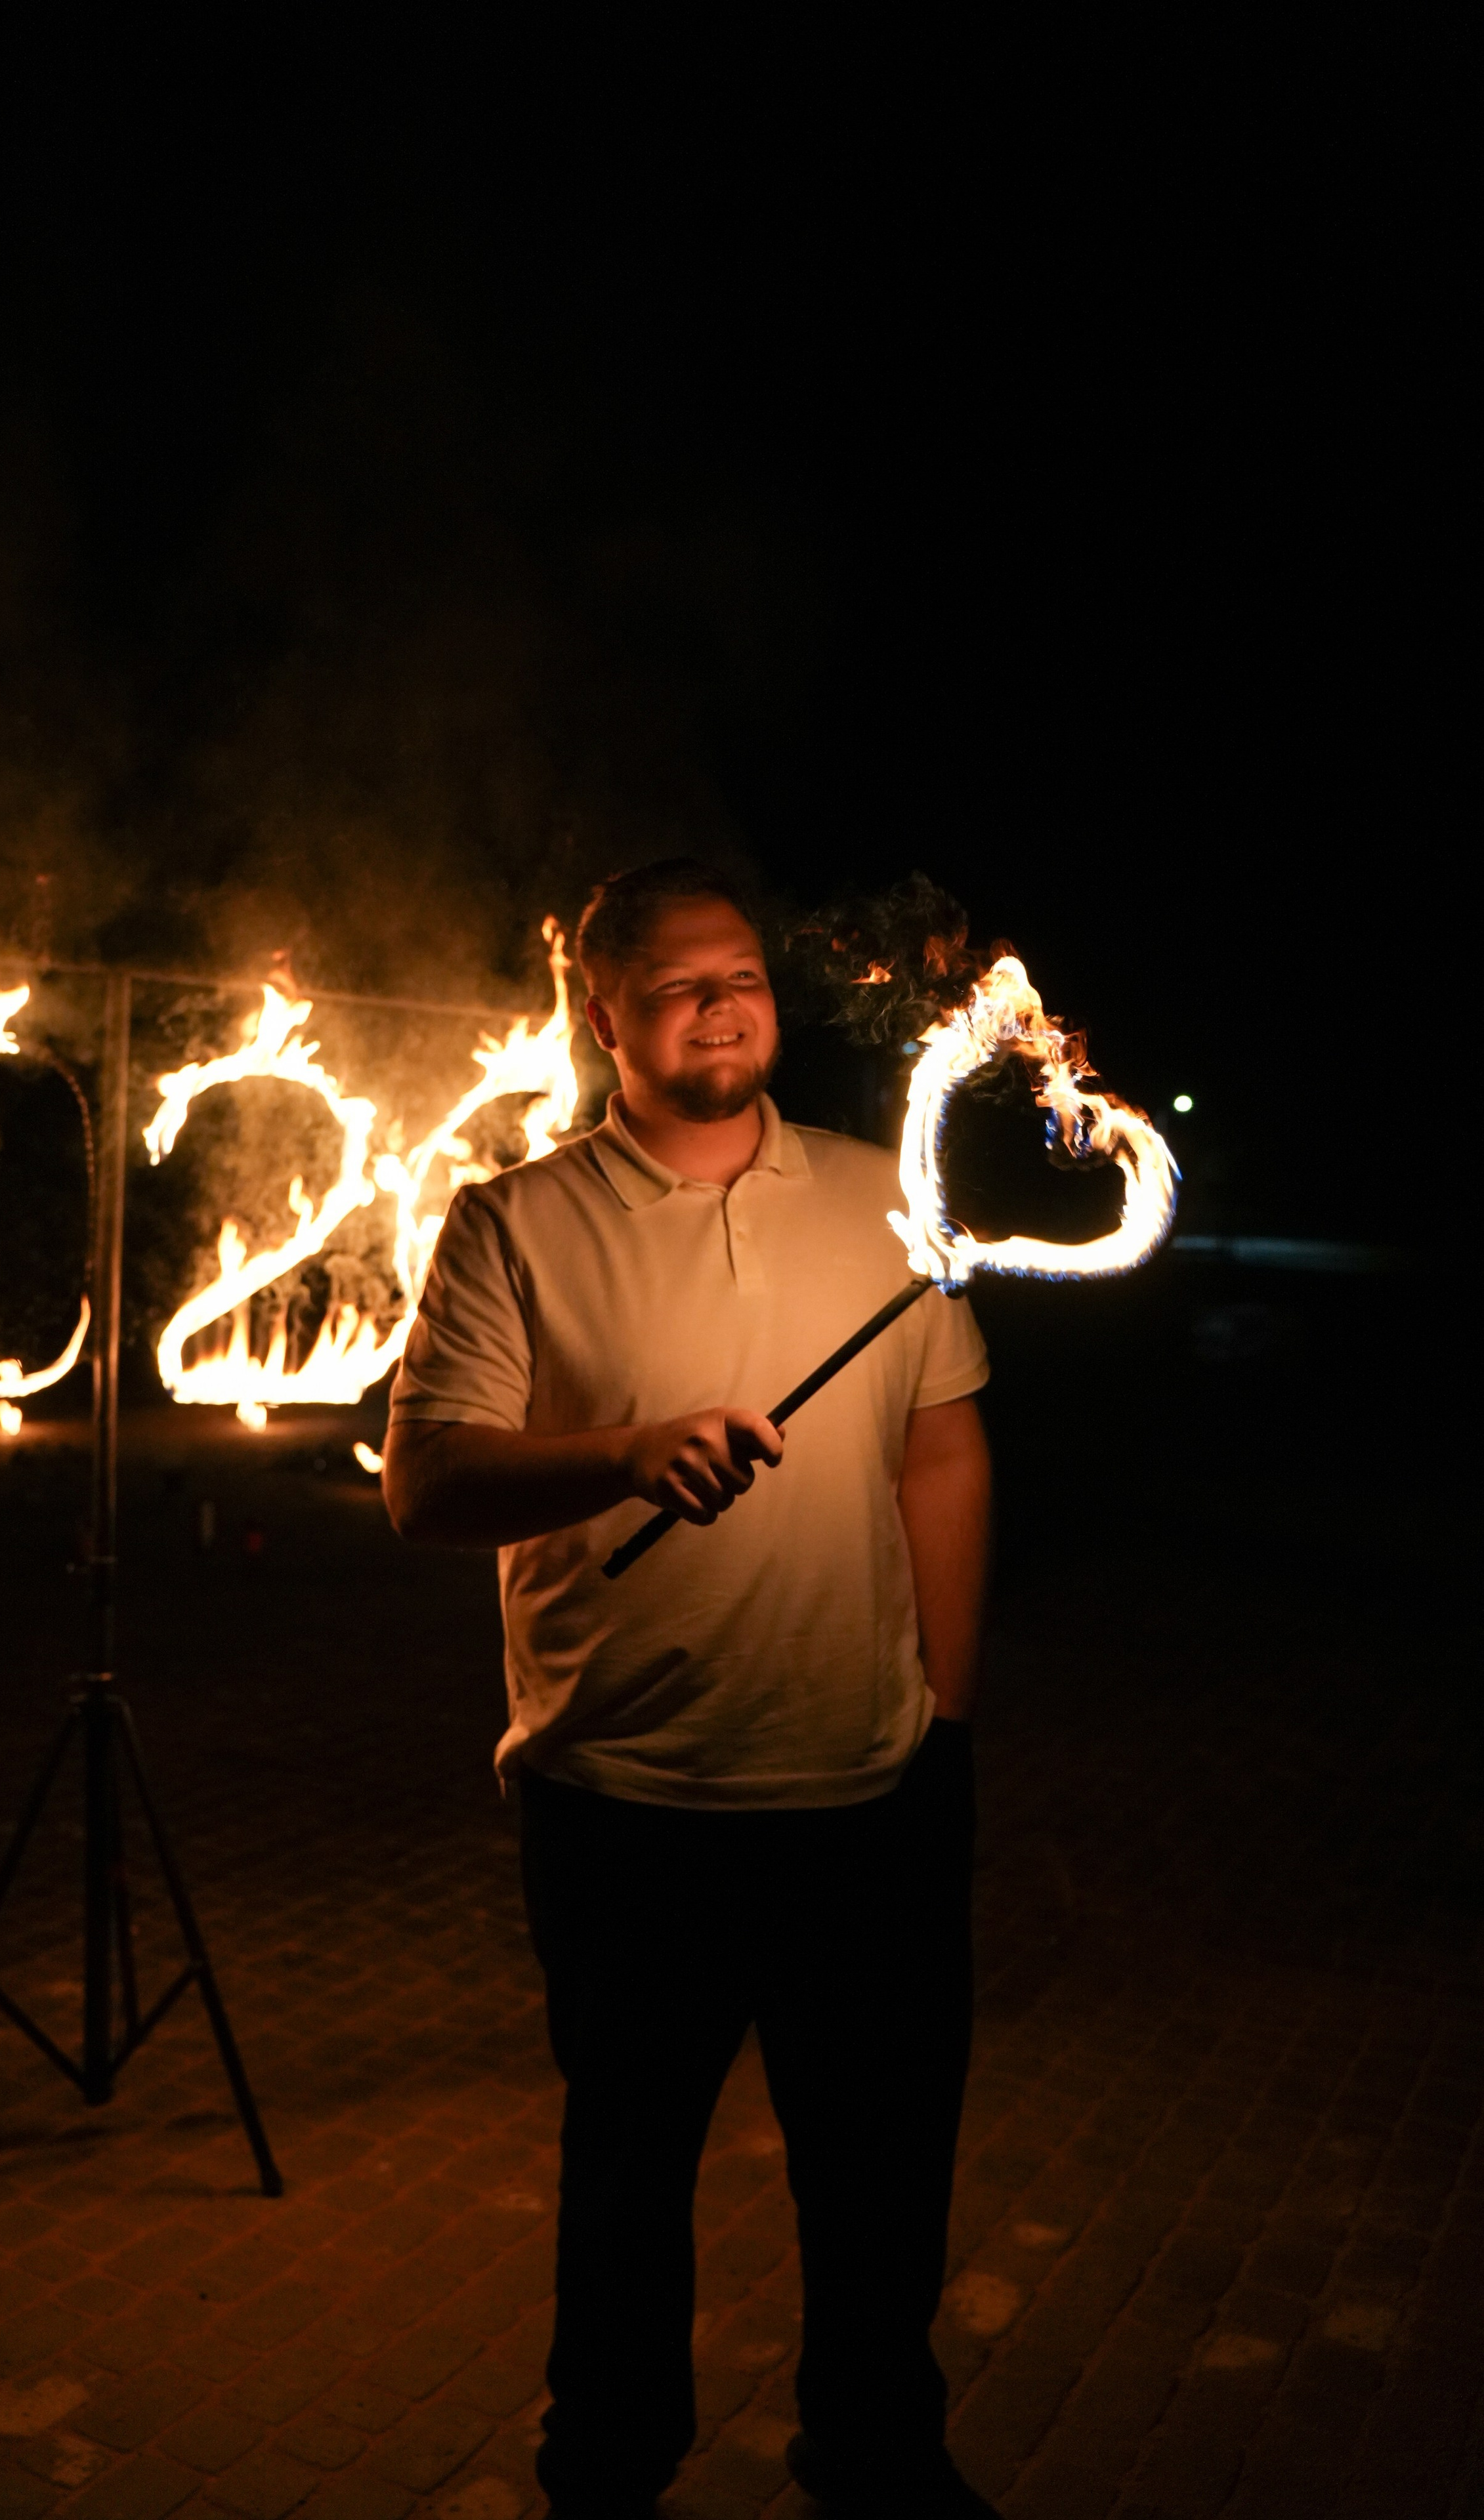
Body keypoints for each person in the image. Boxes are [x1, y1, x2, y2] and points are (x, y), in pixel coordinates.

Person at [383, 859, 998, 2520]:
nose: (722, 1005)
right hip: (622, 1805)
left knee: (878, 2180)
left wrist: (942, 1718)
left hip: (867, 1793)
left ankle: (876, 2449)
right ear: (603, 1016)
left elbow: (940, 1452)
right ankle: (608, 2463)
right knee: (629, 2176)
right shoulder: (514, 1220)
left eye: (741, 977)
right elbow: (425, 1484)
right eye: (675, 985)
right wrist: (621, 1457)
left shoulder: (892, 1198)